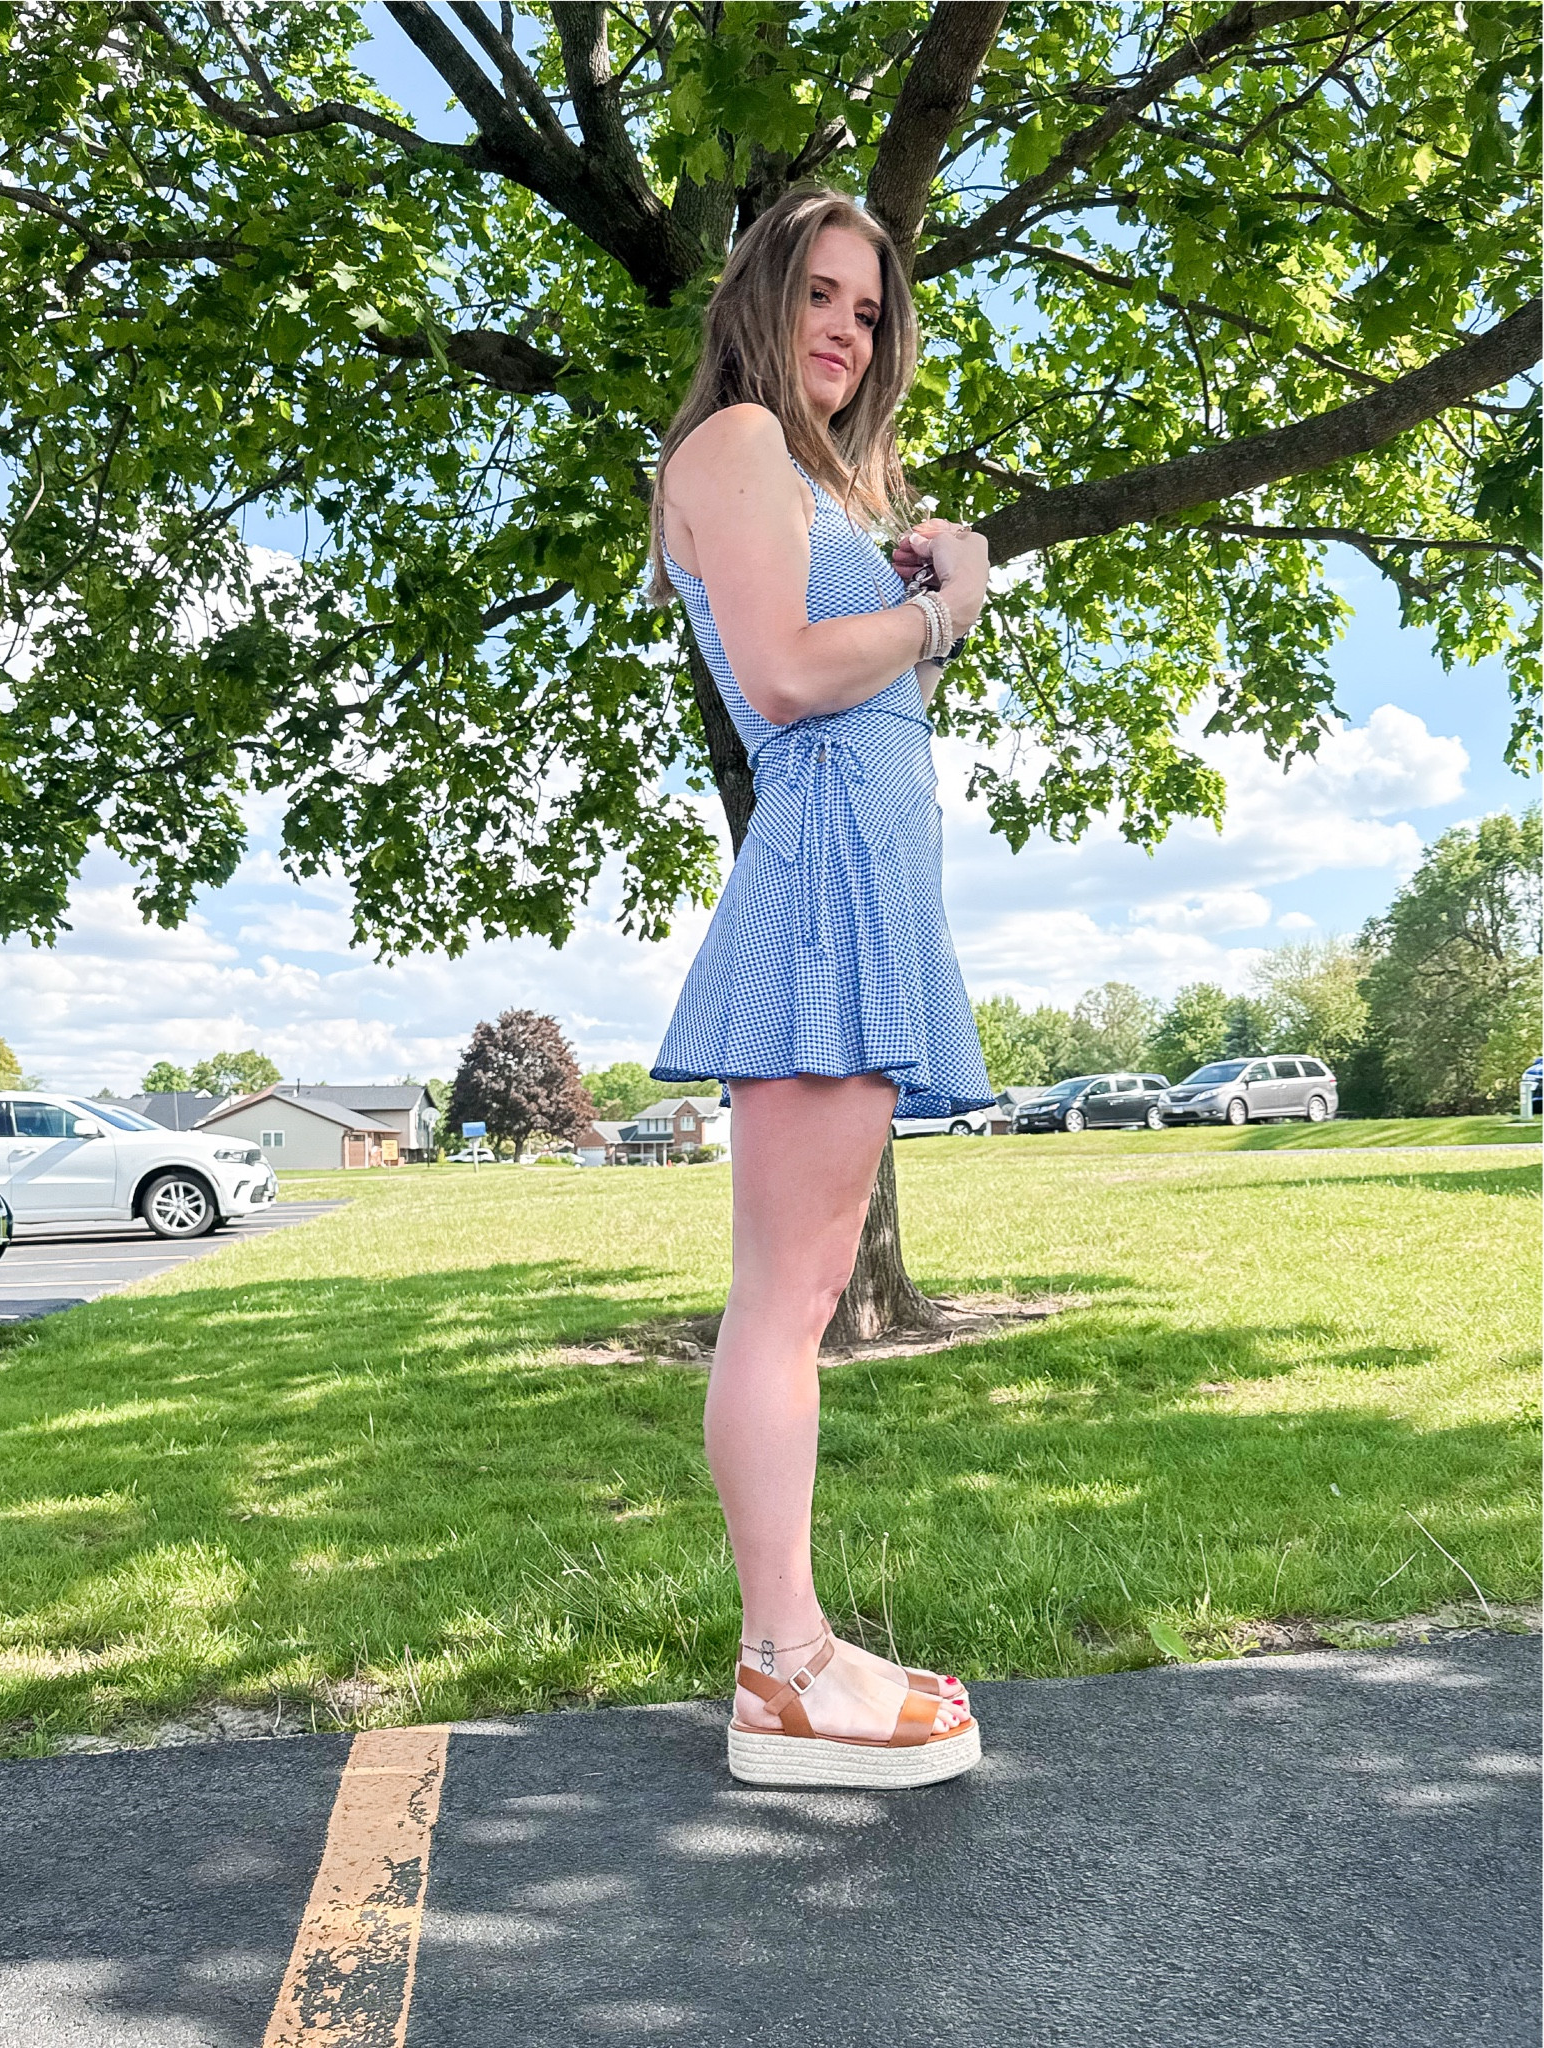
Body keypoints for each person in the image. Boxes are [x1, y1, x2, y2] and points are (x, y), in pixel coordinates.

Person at [646, 186, 995, 1789]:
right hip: (823, 890)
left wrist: (916, 566)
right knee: (783, 1307)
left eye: (868, 309)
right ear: (758, 301)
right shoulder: (728, 445)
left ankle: (799, 1650)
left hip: (863, 888)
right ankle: (783, 1671)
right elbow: (786, 674)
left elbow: (831, 650)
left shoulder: (797, 477)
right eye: (820, 298)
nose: (846, 330)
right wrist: (938, 609)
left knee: (799, 1300)